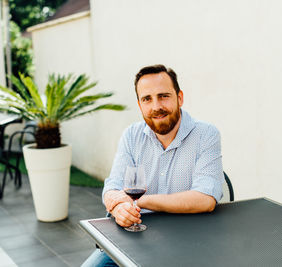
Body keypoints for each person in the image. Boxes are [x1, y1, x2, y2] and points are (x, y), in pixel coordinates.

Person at [82, 64, 223, 266]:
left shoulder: (206, 135)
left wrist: (141, 201)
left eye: (163, 96)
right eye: (147, 99)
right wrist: (121, 207)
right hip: (134, 238)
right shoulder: (131, 135)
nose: (156, 106)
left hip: (189, 240)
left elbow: (205, 199)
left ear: (179, 98)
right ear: (140, 105)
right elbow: (112, 187)